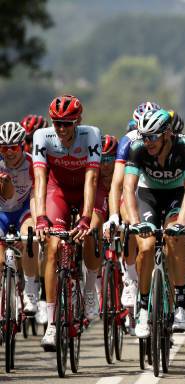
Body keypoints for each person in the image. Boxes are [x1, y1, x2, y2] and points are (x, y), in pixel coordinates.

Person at [33, 95, 102, 351]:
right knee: (52, 247)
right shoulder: (43, 136)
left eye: (67, 123)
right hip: (58, 191)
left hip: (85, 190)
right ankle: (52, 324)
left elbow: (92, 179)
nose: (61, 129)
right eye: (57, 123)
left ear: (78, 121)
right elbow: (40, 179)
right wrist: (40, 217)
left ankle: (91, 289)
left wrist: (85, 217)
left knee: (92, 230)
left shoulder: (91, 135)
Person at [125, 109, 185, 337]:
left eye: (153, 137)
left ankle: (179, 303)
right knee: (146, 248)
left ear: (167, 133)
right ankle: (144, 310)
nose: (148, 142)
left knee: (175, 237)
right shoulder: (137, 148)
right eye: (144, 136)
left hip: (177, 194)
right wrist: (136, 222)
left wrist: (183, 222)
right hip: (149, 195)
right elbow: (129, 187)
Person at [105, 101, 161, 309]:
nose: (147, 135)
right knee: (128, 223)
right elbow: (117, 184)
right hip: (135, 190)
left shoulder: (168, 140)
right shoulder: (129, 141)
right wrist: (113, 215)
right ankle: (130, 278)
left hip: (159, 190)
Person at [0, 122, 39, 317]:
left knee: (29, 237)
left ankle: (31, 290)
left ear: (22, 146)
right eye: (3, 148)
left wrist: (37, 221)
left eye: (13, 147)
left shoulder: (32, 162)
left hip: (24, 209)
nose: (9, 152)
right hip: (2, 212)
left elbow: (35, 195)